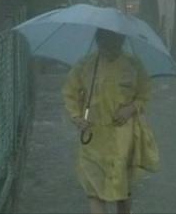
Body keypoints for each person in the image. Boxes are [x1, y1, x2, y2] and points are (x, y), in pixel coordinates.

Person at [62, 28, 159, 214]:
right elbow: (70, 92)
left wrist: (130, 109)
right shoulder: (86, 65)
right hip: (93, 136)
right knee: (94, 191)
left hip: (123, 136)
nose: (110, 49)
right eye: (105, 44)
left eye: (115, 44)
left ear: (121, 42)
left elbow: (144, 93)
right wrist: (76, 117)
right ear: (99, 42)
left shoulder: (133, 64)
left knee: (123, 190)